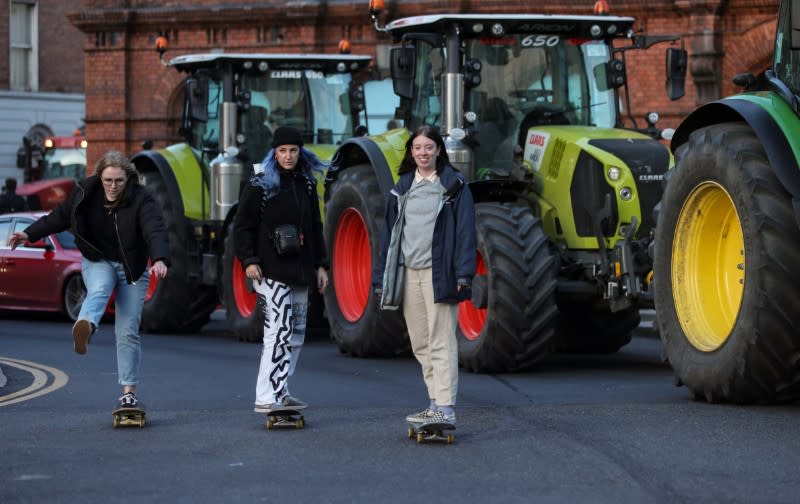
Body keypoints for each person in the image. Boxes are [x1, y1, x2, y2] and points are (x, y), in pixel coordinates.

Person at [7, 150, 169, 411]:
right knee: (101, 287)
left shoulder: (142, 198)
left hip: (132, 269)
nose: (113, 187)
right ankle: (86, 325)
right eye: (108, 181)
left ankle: (128, 394)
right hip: (98, 260)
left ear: (128, 179)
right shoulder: (85, 194)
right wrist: (28, 234)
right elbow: (58, 217)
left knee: (127, 331)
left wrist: (160, 258)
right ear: (100, 178)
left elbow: (155, 228)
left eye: (119, 181)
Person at [372, 125, 477, 426]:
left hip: (440, 274)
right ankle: (434, 403)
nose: (423, 153)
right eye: (417, 148)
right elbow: (389, 237)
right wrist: (381, 279)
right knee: (420, 342)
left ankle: (445, 406)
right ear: (411, 152)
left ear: (439, 150)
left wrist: (464, 274)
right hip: (409, 274)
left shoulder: (454, 186)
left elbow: (465, 232)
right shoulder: (402, 187)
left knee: (442, 340)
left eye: (428, 147)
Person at [234, 126, 329, 414]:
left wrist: (321, 265)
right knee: (279, 329)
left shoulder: (307, 184)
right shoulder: (259, 183)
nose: (288, 156)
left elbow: (314, 227)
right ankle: (265, 396)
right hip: (269, 268)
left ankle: (281, 390)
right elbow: (243, 225)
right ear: (274, 153)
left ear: (301, 153)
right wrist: (249, 260)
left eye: (293, 150)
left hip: (299, 268)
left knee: (297, 332)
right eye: (283, 150)